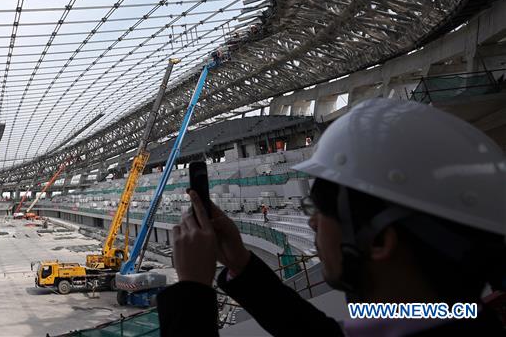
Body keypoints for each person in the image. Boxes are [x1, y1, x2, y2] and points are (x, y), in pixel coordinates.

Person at [157, 99, 505, 336]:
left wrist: (191, 290)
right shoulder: (457, 315)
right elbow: (319, 334)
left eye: (319, 210)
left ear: (381, 240)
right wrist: (242, 264)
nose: (311, 223)